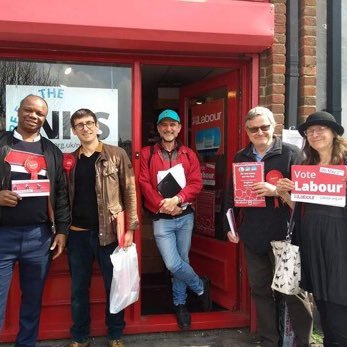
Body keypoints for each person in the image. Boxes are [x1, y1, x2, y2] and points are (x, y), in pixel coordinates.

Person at [226, 106, 313, 347]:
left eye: (264, 127)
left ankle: (302, 342)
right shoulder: (240, 156)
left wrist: (277, 191)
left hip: (284, 236)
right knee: (260, 290)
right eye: (254, 129)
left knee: (293, 291)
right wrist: (230, 226)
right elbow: (230, 195)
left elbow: (306, 195)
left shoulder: (291, 153)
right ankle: (269, 340)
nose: (260, 132)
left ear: (273, 126)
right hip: (253, 236)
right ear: (246, 131)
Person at [0, 94, 70, 347]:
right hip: (3, 236)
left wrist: (61, 231)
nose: (34, 116)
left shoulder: (51, 151)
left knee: (32, 300)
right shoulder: (2, 142)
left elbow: (61, 193)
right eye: (29, 110)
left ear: (44, 118)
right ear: (18, 112)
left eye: (39, 113)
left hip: (38, 238)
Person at [66, 109, 139, 347]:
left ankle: (116, 334)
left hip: (109, 234)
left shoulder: (116, 154)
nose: (85, 128)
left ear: (97, 126)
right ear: (74, 130)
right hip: (77, 235)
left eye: (89, 123)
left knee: (113, 287)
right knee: (78, 291)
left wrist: (130, 229)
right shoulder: (70, 160)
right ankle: (80, 336)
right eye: (79, 125)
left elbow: (129, 191)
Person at [277, 111, 347, 347]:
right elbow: (300, 206)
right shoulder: (306, 165)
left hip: (339, 242)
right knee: (322, 301)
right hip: (312, 241)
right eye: (310, 131)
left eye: (321, 129)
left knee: (339, 300)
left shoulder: (346, 162)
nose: (315, 134)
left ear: (334, 133)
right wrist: (286, 193)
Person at [139, 109, 211, 330]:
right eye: (164, 125)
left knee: (182, 260)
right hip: (162, 218)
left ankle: (180, 303)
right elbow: (144, 183)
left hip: (185, 216)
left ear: (179, 127)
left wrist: (178, 200)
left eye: (173, 125)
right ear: (159, 128)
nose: (168, 129)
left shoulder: (189, 154)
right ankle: (200, 287)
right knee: (172, 263)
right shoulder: (147, 153)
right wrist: (165, 205)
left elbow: (196, 183)